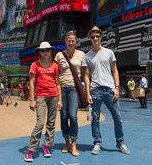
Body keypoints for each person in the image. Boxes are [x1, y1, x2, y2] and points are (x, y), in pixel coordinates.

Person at [82, 26, 130, 155]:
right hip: (95, 91)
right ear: (90, 38)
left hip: (110, 90)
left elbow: (115, 70)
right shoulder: (87, 56)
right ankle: (97, 143)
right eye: (93, 37)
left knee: (118, 118)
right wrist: (88, 93)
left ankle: (120, 143)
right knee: (95, 119)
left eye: (97, 36)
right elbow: (86, 76)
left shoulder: (109, 52)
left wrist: (117, 87)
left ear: (101, 37)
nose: (95, 38)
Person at [24, 41, 62, 162]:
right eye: (42, 50)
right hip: (41, 97)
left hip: (54, 96)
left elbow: (58, 83)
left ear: (51, 51)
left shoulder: (55, 66)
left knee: (51, 123)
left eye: (47, 50)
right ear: (39, 52)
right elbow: (31, 82)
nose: (45, 52)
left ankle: (47, 147)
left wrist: (60, 100)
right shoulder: (35, 65)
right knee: (40, 123)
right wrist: (32, 100)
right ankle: (30, 149)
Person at [54, 31, 85, 157]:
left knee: (73, 116)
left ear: (76, 42)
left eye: (73, 40)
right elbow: (54, 73)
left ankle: (73, 144)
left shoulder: (82, 54)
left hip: (73, 88)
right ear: (65, 42)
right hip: (61, 88)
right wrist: (59, 67)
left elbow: (85, 73)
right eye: (69, 40)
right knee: (63, 116)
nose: (71, 42)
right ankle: (66, 142)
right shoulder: (59, 55)